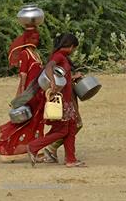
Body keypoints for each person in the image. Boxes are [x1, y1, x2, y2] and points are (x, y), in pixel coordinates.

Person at [27, 33, 86, 168]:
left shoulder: (63, 58)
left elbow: (63, 78)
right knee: (62, 131)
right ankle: (33, 147)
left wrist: (72, 77)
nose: (73, 51)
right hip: (62, 101)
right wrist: (52, 82)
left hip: (67, 100)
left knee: (71, 128)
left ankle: (71, 159)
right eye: (74, 48)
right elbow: (48, 68)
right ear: (70, 46)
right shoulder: (58, 56)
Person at [0, 27, 45, 162]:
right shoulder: (25, 54)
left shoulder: (36, 54)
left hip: (39, 93)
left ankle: (36, 150)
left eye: (37, 39)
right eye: (33, 38)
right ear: (26, 39)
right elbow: (23, 75)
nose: (36, 41)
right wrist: (21, 93)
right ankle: (8, 149)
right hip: (29, 94)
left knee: (37, 122)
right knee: (25, 120)